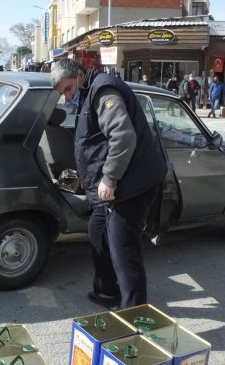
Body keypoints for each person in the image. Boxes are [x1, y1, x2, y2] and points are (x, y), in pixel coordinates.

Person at [50, 58, 167, 309]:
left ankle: (133, 313)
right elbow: (93, 152)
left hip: (131, 186)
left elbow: (122, 136)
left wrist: (110, 178)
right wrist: (65, 181)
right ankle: (107, 293)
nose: (68, 97)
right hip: (113, 189)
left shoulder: (103, 90)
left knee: (124, 250)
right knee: (98, 231)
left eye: (68, 89)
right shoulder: (87, 94)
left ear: (80, 75)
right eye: (63, 93)